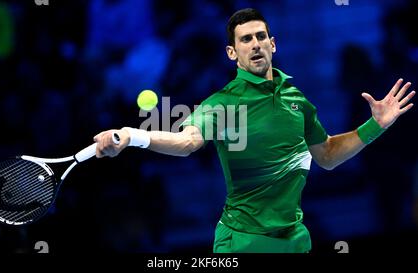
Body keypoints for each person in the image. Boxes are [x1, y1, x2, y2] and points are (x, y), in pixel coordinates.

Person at [93, 8, 415, 253]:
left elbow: (328, 154)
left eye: (261, 37)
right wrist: (131, 135)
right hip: (242, 243)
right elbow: (187, 140)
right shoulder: (222, 103)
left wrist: (376, 125)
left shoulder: (296, 99)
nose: (256, 44)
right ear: (232, 53)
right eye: (246, 39)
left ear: (272, 44)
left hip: (294, 239)